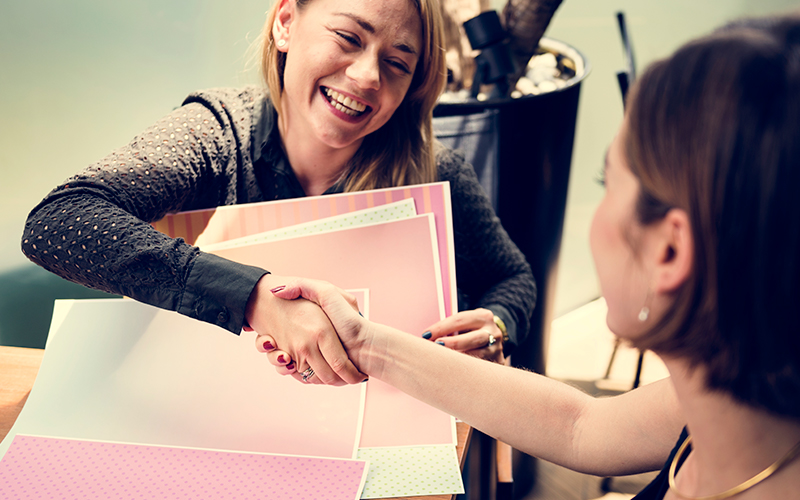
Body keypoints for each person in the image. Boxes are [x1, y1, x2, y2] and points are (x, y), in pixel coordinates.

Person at [268, 13, 800, 499]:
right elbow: (580, 426)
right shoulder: (722, 406)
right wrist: (366, 343)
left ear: (669, 250)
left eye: (606, 182)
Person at [21, 0, 535, 385]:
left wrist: (497, 324)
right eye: (349, 38)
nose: (366, 76)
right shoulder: (217, 134)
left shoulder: (436, 171)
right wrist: (254, 298)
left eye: (398, 64)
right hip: (223, 426)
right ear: (285, 22)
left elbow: (512, 277)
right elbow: (57, 222)